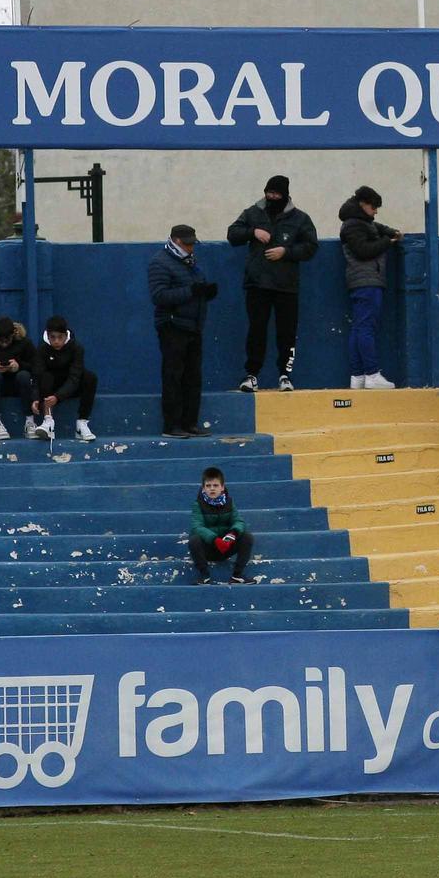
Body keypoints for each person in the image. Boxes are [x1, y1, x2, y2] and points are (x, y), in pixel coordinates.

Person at [228, 175, 319, 393]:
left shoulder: (300, 218)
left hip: (286, 286)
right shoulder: (253, 213)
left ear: (285, 195)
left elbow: (311, 246)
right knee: (256, 330)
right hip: (257, 284)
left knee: (287, 332)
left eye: (276, 194)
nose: (271, 197)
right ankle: (251, 375)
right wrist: (253, 232)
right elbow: (232, 234)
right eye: (269, 193)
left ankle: (285, 375)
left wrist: (286, 252)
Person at [149, 223, 220, 438]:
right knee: (173, 376)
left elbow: (193, 289)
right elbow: (159, 296)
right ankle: (171, 425)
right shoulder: (160, 263)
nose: (191, 248)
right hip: (173, 326)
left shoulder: (190, 263)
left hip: (193, 326)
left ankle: (190, 422)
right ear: (176, 241)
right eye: (188, 244)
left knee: (192, 377)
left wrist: (206, 293)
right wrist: (192, 291)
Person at [339, 184, 401, 390]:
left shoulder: (359, 222)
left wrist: (390, 232)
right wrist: (388, 241)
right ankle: (372, 373)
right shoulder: (354, 226)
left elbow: (378, 227)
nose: (375, 212)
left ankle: (357, 376)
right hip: (367, 281)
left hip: (361, 282)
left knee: (359, 328)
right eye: (374, 207)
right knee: (366, 328)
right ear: (363, 204)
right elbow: (363, 250)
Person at [31, 315, 98, 441]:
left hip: (70, 387)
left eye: (60, 337)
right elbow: (37, 375)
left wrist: (58, 397)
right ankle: (48, 422)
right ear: (48, 335)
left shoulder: (77, 348)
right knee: (45, 376)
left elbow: (75, 377)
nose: (56, 341)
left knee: (90, 377)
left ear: (66, 336)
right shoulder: (42, 349)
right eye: (53, 337)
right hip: (49, 387)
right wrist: (35, 398)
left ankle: (82, 424)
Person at [188, 466, 254, 584]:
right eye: (208, 486)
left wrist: (232, 534)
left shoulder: (229, 502)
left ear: (222, 487)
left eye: (215, 485)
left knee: (247, 537)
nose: (212, 489)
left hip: (226, 546)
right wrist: (215, 539)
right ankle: (204, 576)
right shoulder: (197, 504)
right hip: (208, 548)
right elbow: (197, 527)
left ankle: (237, 576)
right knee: (194, 540)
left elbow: (239, 521)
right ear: (203, 488)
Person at [0, 317, 37, 440]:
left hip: (19, 385)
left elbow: (36, 365)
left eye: (7, 339)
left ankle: (30, 422)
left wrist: (19, 366)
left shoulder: (25, 344)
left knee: (24, 375)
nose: (4, 343)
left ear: (14, 334)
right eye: (0, 339)